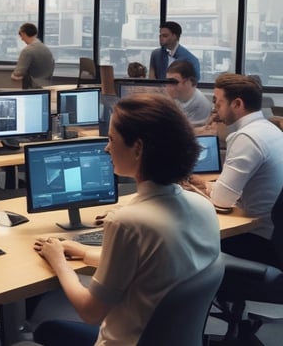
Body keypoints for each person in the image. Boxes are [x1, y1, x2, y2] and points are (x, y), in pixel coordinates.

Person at [32, 94, 219, 346]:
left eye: (111, 139)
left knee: (41, 333)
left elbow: (90, 312)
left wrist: (58, 261)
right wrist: (83, 252)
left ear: (138, 148)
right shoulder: (202, 206)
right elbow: (150, 267)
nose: (106, 148)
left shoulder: (127, 222)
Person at [189, 73, 283, 266]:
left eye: (219, 103)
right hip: (274, 236)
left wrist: (204, 189)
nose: (215, 110)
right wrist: (207, 184)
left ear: (237, 104)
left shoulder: (247, 137)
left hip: (258, 241)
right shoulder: (271, 129)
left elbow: (222, 201)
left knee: (185, 240)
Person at [165, 60, 212, 126]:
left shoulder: (202, 105)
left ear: (188, 82)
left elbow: (190, 132)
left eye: (173, 82)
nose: (168, 87)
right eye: (167, 82)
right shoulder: (176, 98)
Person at [11, 22, 54, 88]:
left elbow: (18, 73)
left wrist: (13, 76)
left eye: (21, 35)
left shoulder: (27, 51)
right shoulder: (46, 49)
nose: (21, 39)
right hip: (47, 86)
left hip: (33, 88)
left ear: (23, 34)